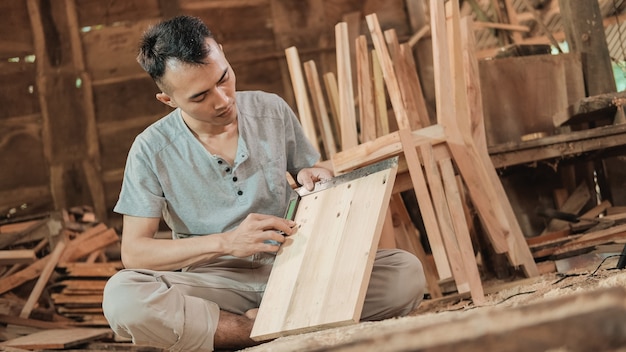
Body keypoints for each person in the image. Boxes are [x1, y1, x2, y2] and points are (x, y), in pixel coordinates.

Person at [102, 15, 426, 352]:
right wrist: (227, 243)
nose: (223, 99)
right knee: (123, 297)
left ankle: (243, 326)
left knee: (405, 274)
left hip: (294, 269)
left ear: (223, 55)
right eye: (200, 97)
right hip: (214, 283)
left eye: (223, 78)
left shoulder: (271, 109)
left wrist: (310, 176)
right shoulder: (150, 150)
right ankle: (251, 329)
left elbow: (308, 172)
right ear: (169, 101)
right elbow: (135, 253)